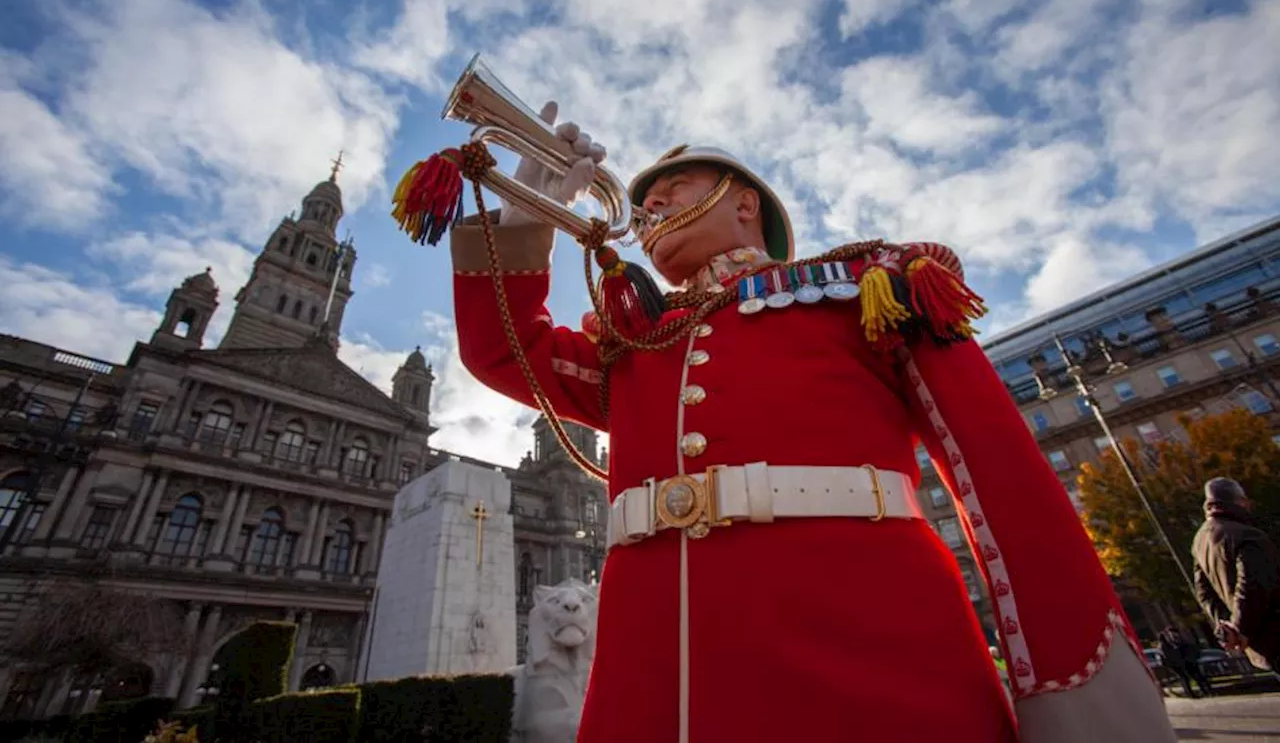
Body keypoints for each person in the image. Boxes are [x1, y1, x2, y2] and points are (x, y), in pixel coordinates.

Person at [441, 103, 1177, 742]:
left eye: (675, 187)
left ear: (743, 202)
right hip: (650, 695)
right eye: (646, 201)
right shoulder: (636, 338)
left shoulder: (869, 287)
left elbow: (1000, 479)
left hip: (870, 678)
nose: (651, 205)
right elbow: (503, 347)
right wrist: (520, 226)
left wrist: (1067, 689)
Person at [1192, 477, 1280, 673]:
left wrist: (1228, 627)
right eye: (1244, 500)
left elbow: (1204, 593)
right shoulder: (1247, 535)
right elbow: (1252, 586)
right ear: (1237, 501)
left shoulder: (1200, 541)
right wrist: (1240, 629)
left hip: (1258, 645)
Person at [1157, 626, 1210, 698]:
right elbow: (1170, 655)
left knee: (1191, 677)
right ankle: (1197, 692)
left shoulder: (1173, 642)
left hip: (1184, 661)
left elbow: (1177, 652)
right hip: (1181, 662)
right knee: (1189, 677)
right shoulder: (1167, 644)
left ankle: (1200, 692)